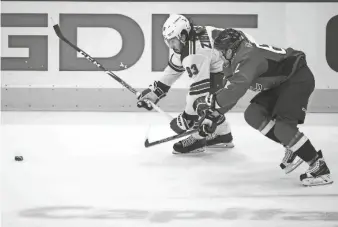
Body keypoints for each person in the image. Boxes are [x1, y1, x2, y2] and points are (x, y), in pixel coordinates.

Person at [192, 28, 333, 186]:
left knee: (283, 129)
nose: (219, 55)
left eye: (222, 51)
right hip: (281, 83)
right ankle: (294, 146)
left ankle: (319, 167)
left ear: (231, 49)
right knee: (253, 114)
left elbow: (235, 90)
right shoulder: (233, 60)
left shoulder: (248, 56)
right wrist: (213, 116)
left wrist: (209, 101)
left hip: (297, 79)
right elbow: (231, 92)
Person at [137, 14, 234, 154]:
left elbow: (199, 91)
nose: (170, 45)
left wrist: (186, 118)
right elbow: (173, 69)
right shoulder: (188, 40)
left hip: (235, 68)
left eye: (173, 41)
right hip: (226, 65)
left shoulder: (195, 52)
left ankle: (197, 139)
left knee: (203, 102)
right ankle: (222, 134)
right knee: (205, 100)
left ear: (182, 36)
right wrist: (155, 92)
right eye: (167, 41)